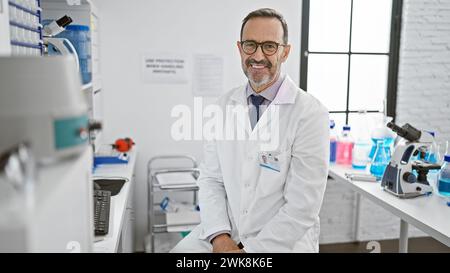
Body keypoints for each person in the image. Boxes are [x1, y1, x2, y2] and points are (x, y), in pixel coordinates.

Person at [171, 8, 329, 253]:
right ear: (239, 48)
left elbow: (302, 206)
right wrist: (220, 236)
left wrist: (249, 253)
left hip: (283, 243)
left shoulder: (310, 114)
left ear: (285, 52)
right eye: (250, 45)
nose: (257, 55)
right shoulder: (222, 107)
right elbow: (211, 180)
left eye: (269, 46)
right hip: (228, 231)